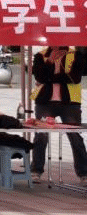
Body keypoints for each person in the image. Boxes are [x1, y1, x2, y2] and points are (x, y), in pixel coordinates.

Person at [31, 45, 87, 183]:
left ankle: (84, 173)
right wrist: (50, 61)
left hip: (69, 103)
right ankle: (36, 170)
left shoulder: (75, 55)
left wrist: (50, 78)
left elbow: (75, 78)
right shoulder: (41, 56)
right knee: (41, 136)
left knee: (75, 136)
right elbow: (39, 76)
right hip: (45, 102)